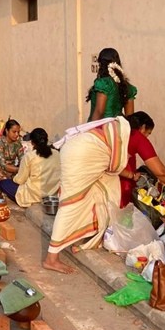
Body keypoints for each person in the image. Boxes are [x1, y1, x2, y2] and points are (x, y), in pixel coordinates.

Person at [43, 116, 131, 274]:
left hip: (73, 152)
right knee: (71, 205)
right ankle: (51, 259)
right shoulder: (122, 132)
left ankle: (94, 234)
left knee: (95, 192)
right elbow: (116, 166)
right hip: (79, 156)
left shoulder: (109, 127)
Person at [118, 111, 165, 208]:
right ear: (142, 127)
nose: (147, 137)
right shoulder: (137, 137)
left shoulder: (120, 132)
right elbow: (161, 172)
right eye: (148, 133)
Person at [0, 128, 61, 207]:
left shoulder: (30, 156)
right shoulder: (57, 154)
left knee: (3, 183)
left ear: (32, 142)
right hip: (52, 194)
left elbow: (20, 180)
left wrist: (12, 178)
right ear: (47, 140)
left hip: (33, 196)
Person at [88, 48, 137, 121]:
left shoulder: (104, 84)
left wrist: (91, 129)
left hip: (103, 127)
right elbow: (130, 116)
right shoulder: (127, 87)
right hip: (119, 128)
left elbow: (99, 111)